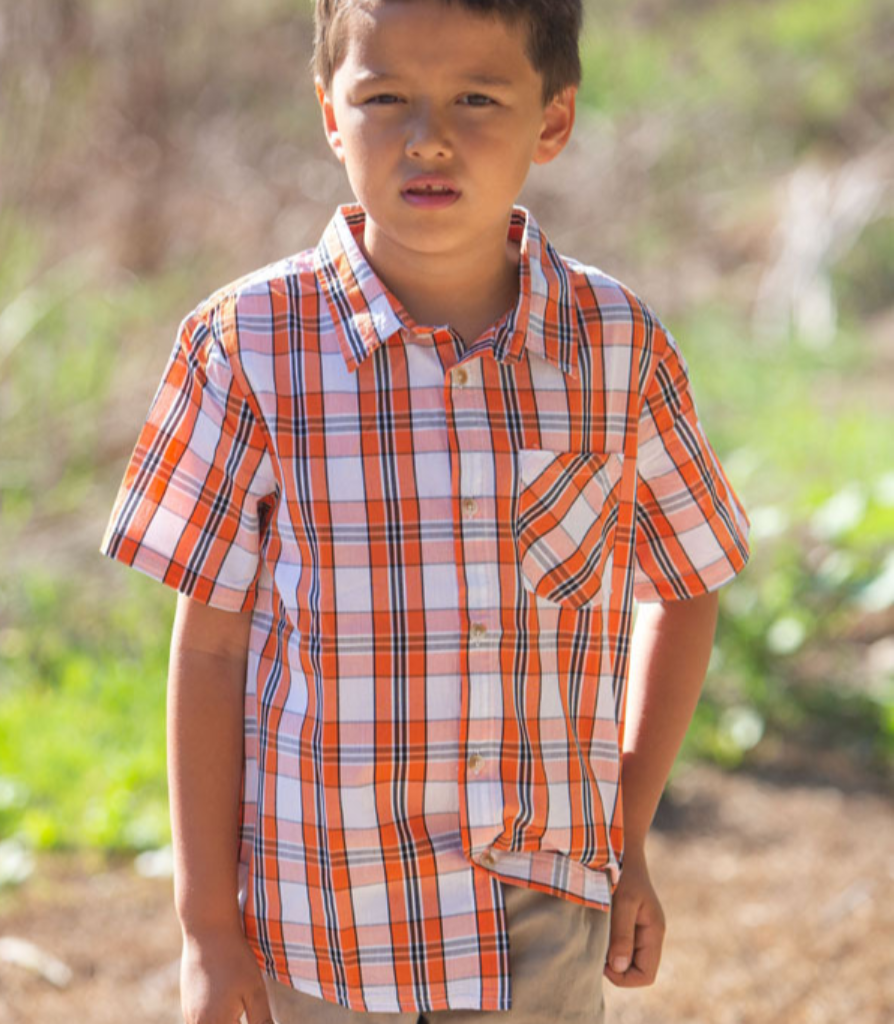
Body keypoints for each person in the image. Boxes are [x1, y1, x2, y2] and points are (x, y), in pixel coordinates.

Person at [100, 1, 750, 1022]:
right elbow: (214, 647)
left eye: (476, 99)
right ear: (329, 113)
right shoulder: (247, 347)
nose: (428, 137)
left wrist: (623, 837)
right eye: (384, 97)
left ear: (553, 121)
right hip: (319, 915)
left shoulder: (618, 348)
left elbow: (685, 587)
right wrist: (206, 926)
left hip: (536, 909)